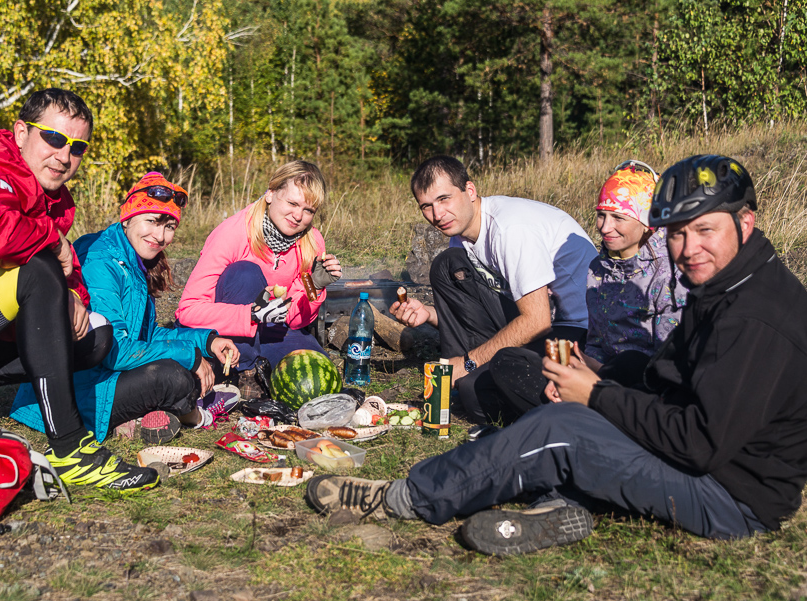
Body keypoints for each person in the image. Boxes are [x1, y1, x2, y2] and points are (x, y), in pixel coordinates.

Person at [306, 155, 807, 557]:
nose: (688, 248)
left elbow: (699, 443)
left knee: (560, 429)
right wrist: (604, 376)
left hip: (731, 495)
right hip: (709, 459)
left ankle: (406, 497)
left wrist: (595, 396)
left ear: (746, 221)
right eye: (676, 232)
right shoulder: (728, 282)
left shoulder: (754, 317)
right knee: (590, 390)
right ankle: (560, 504)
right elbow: (668, 377)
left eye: (704, 230)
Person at [0, 88, 159, 494]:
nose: (64, 156)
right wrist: (55, 244)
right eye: (54, 139)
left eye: (77, 147)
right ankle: (70, 447)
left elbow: (65, 270)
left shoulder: (50, 194)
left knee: (93, 335)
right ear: (22, 132)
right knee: (37, 270)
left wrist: (74, 293)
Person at [10, 172, 240, 444]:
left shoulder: (131, 258)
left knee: (193, 362)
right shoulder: (101, 262)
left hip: (102, 378)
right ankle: (196, 415)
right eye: (152, 221)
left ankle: (154, 410)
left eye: (169, 226)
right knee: (174, 377)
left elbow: (146, 336)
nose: (160, 235)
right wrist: (189, 357)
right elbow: (114, 352)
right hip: (78, 392)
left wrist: (207, 341)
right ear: (128, 217)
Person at [389, 155, 597, 423]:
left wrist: (467, 363)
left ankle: (576, 410)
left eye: (444, 199)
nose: (437, 215)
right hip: (540, 320)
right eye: (426, 206)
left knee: (476, 392)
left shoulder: (509, 229)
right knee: (446, 266)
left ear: (470, 190)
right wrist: (429, 314)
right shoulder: (461, 237)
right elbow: (476, 313)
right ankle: (453, 382)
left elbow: (537, 321)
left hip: (576, 331)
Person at [488, 160, 687, 423]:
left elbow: (668, 361)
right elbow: (596, 342)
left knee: (630, 363)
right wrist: (577, 367)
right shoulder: (598, 268)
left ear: (647, 221)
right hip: (601, 377)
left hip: (646, 387)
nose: (604, 227)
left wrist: (596, 373)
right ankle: (575, 417)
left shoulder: (671, 272)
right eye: (601, 215)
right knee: (507, 361)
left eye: (618, 218)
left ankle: (574, 420)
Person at [175, 160, 341, 398]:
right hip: (221, 332)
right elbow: (188, 311)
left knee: (315, 376)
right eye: (293, 203)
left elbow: (295, 321)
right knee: (245, 273)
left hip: (272, 328)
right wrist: (251, 315)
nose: (298, 216)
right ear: (271, 193)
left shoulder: (312, 242)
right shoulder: (233, 233)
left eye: (308, 210)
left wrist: (313, 286)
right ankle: (244, 372)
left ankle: (253, 365)